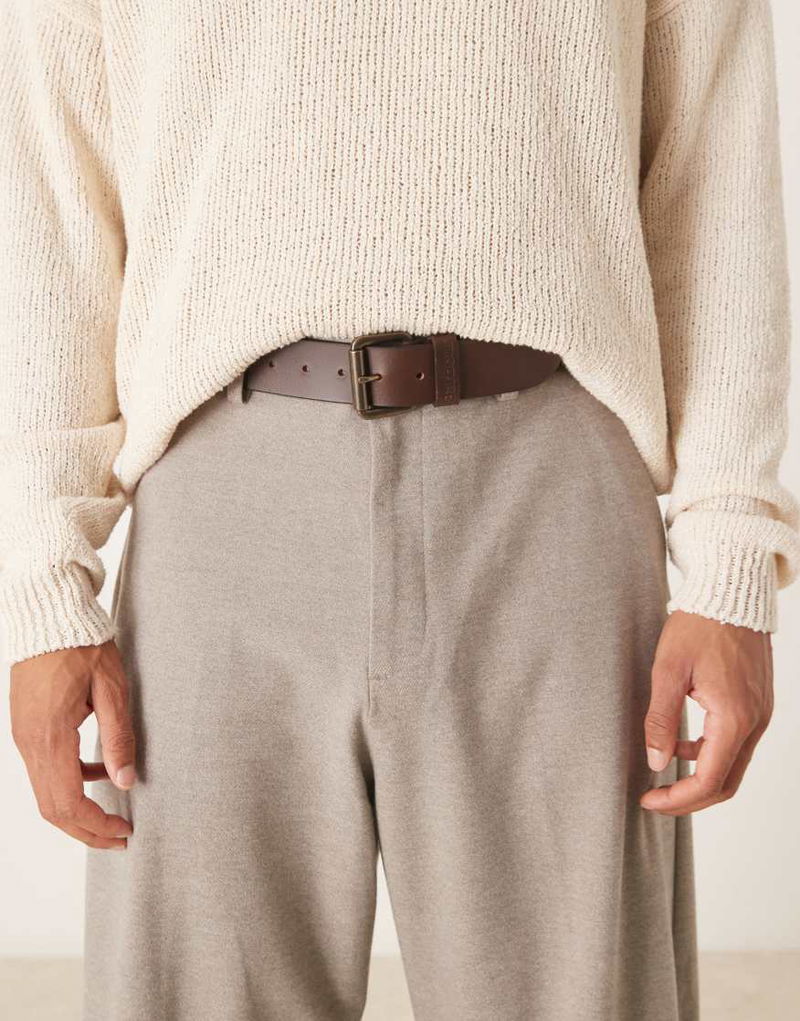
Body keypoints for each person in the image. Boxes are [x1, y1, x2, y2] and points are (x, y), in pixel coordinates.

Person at [1, 1, 797, 1019]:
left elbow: (711, 168)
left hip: (548, 493)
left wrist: (731, 557)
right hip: (221, 501)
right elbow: (52, 193)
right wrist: (42, 584)